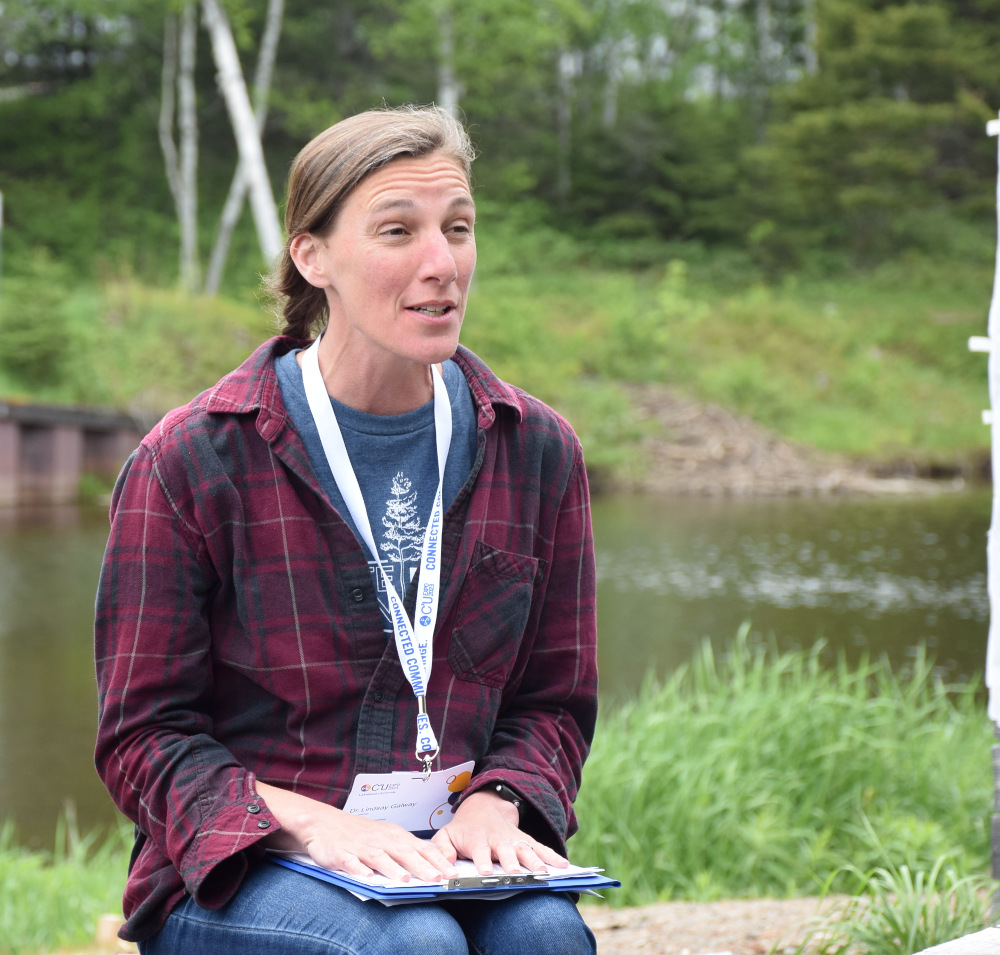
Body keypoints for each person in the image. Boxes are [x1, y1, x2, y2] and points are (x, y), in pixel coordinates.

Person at [94, 104, 599, 955]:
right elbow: (143, 738)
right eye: (398, 230)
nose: (442, 263)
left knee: (545, 935)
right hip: (244, 870)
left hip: (445, 854)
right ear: (312, 256)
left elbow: (553, 701)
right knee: (415, 946)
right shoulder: (189, 460)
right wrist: (312, 826)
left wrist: (499, 798)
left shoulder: (537, 449)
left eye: (458, 228)